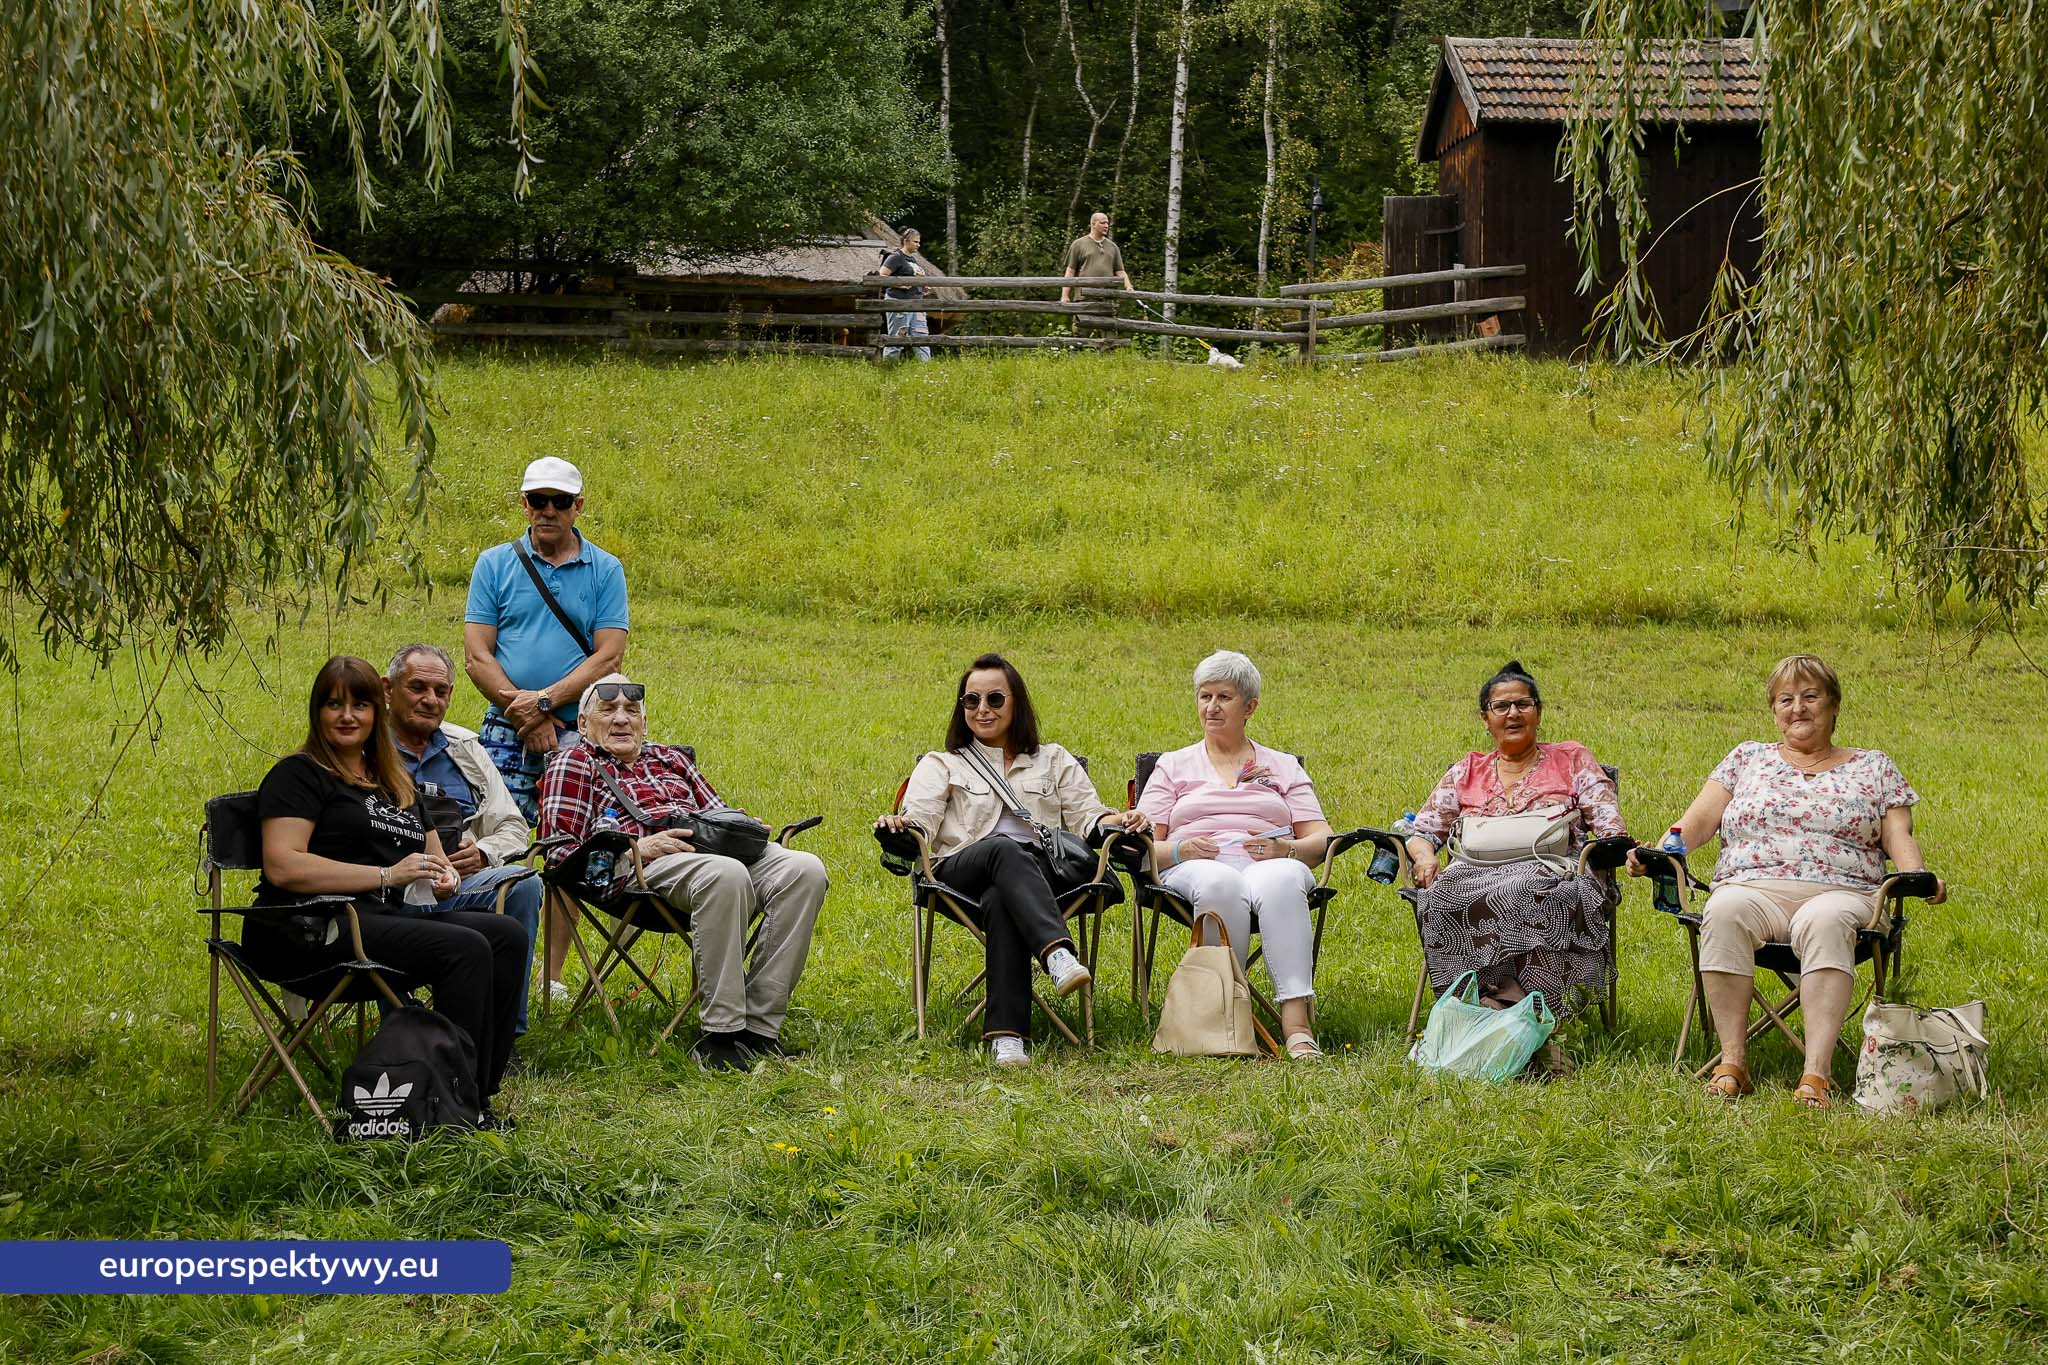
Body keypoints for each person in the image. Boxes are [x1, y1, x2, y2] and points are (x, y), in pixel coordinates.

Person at [1628, 654, 1945, 1109]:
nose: (1798, 707)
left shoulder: (1874, 767)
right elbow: (1694, 823)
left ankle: (1816, 1074)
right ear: (1774, 711)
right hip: (1752, 889)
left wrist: (1917, 877)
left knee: (1825, 919)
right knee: (1723, 910)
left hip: (1841, 893)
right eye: (1786, 699)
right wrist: (1659, 853)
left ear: (1834, 705)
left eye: (1810, 696)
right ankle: (1732, 1062)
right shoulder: (1747, 758)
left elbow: (1898, 835)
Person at [246, 656, 528, 1125]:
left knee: (506, 935)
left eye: (360, 704)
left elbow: (433, 862)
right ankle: (450, 1102)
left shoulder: (393, 780)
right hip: (313, 929)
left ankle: (475, 1093)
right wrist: (385, 876)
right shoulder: (301, 774)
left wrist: (445, 879)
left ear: (377, 711)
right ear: (317, 712)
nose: (347, 716)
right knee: (464, 947)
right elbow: (284, 866)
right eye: (333, 704)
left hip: (381, 922)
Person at [538, 673, 829, 1071]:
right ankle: (722, 1036)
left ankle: (760, 1030)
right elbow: (559, 851)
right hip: (642, 870)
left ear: (644, 722)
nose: (622, 719)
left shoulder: (671, 759)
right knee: (724, 875)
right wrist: (636, 849)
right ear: (584, 724)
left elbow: (715, 811)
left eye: (632, 711)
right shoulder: (574, 761)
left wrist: (740, 828)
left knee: (804, 869)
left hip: (711, 854)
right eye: (608, 710)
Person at [877, 653, 1151, 1067]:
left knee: (1002, 897)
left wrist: (1121, 818)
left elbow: (1087, 818)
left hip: (1039, 875)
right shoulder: (943, 764)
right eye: (971, 701)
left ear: (1016, 703)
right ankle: (1056, 953)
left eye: (994, 699)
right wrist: (898, 827)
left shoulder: (1054, 760)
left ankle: (1007, 1038)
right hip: (958, 871)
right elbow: (922, 824)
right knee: (1004, 849)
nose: (982, 709)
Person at [1403, 660, 1626, 1073]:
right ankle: (1487, 1017)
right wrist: (1425, 856)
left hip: (1553, 870)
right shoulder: (1466, 770)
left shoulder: (1572, 759)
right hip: (1472, 873)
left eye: (1522, 704)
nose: (1512, 714)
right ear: (1485, 718)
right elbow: (1423, 830)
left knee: (1527, 892)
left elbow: (1608, 824)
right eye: (1500, 706)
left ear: (1538, 712)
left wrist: (1606, 859)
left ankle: (1531, 1025)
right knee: (1441, 895)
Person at [1137, 651, 1335, 1060]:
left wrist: (1288, 849)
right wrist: (1179, 848)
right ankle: (1226, 1015)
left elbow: (1322, 838)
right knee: (1220, 882)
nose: (1211, 707)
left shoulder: (1281, 766)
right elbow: (1144, 847)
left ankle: (1297, 1026)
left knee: (1281, 880)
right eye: (1204, 696)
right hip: (1193, 867)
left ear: (1250, 707)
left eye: (1223, 697)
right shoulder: (1173, 766)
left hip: (1270, 862)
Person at [383, 643, 545, 1038]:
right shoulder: (366, 748)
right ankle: (401, 1025)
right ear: (388, 690)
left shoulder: (464, 749)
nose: (430, 700)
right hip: (387, 890)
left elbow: (513, 825)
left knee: (524, 884)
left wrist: (484, 853)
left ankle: (506, 1034)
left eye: (441, 692)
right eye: (417, 687)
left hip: (459, 887)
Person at [464, 456, 629, 827]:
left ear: (578, 507)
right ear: (524, 504)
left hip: (583, 728)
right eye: (538, 500)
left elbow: (609, 658)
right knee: (497, 834)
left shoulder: (606, 569)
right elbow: (477, 656)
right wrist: (526, 715)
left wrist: (543, 702)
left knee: (584, 842)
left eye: (561, 501)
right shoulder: (493, 564)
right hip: (510, 726)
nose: (548, 510)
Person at [877, 226, 931, 362]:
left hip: (916, 304)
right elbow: (881, 275)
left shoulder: (912, 260)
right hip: (899, 302)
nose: (918, 245)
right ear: (906, 241)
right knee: (898, 336)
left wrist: (922, 287)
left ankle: (927, 369)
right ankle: (889, 367)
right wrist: (899, 284)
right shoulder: (895, 257)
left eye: (919, 242)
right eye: (915, 242)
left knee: (921, 336)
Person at [1058, 211, 1136, 303]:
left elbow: (1120, 271)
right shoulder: (1078, 244)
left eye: (1107, 223)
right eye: (1103, 223)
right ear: (1093, 224)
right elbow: (1070, 271)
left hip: (1107, 297)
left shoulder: (1113, 246)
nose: (1106, 226)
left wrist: (1128, 287)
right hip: (1084, 297)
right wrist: (1065, 295)